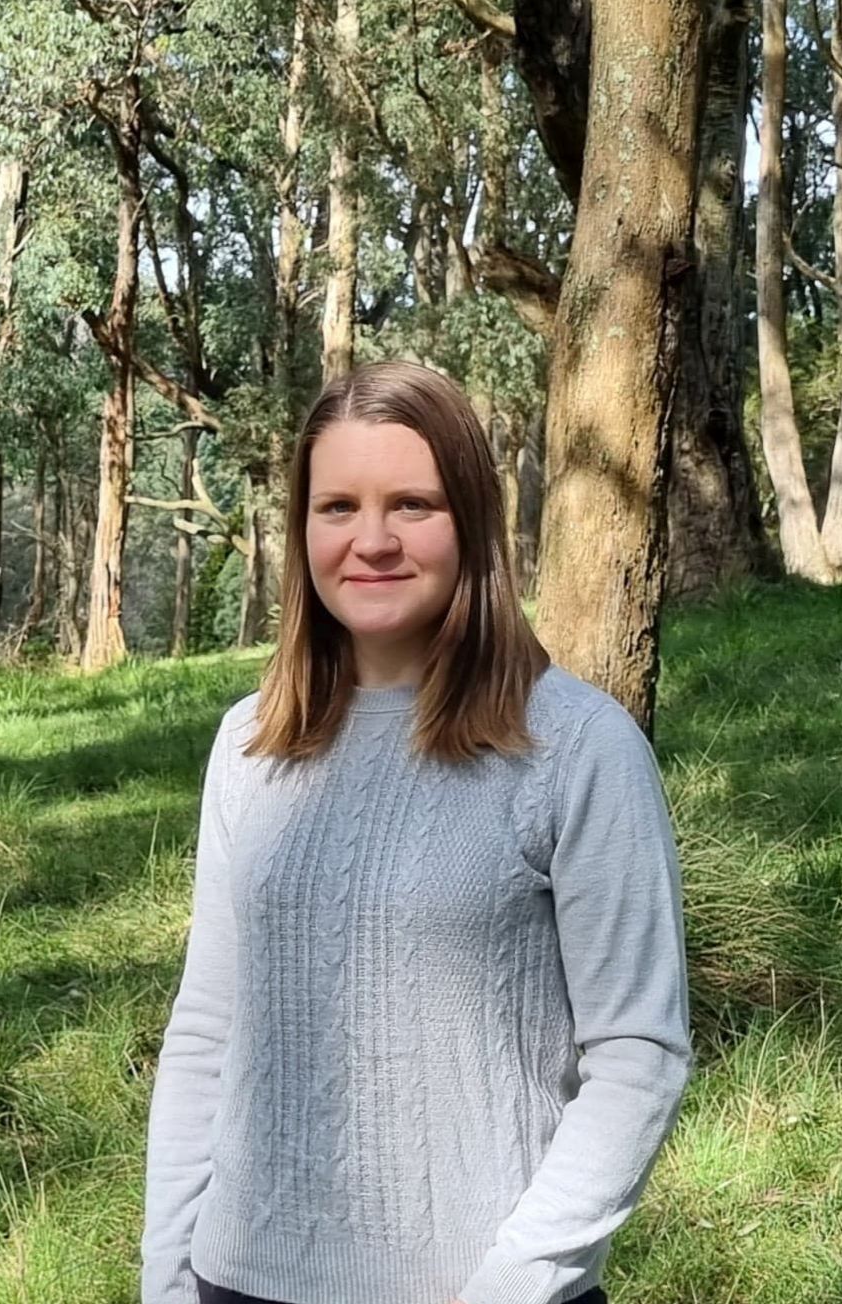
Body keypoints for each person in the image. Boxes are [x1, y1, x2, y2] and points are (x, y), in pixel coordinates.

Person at [138, 361, 692, 1304]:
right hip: (235, 1280)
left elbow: (639, 1054)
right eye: (338, 507)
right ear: (302, 528)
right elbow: (206, 1032)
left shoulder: (577, 748)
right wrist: (168, 1277)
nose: (373, 541)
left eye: (413, 505)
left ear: (470, 522)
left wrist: (511, 1286)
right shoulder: (249, 743)